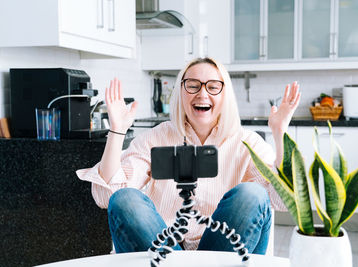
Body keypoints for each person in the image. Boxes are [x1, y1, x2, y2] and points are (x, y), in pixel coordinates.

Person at [76, 57, 300, 254]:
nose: (202, 93)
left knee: (251, 193)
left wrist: (280, 133)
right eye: (192, 85)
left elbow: (282, 202)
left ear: (225, 95)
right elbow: (107, 197)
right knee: (125, 199)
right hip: (166, 251)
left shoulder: (248, 142)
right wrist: (117, 130)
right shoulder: (157, 137)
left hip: (223, 251)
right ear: (181, 91)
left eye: (213, 86)